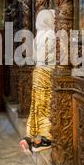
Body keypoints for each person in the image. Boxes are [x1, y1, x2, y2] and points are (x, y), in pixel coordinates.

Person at [19, 10, 56, 155]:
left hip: (37, 72)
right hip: (47, 72)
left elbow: (34, 56)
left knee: (37, 104)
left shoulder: (38, 35)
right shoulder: (51, 34)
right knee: (45, 105)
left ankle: (31, 136)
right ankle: (45, 138)